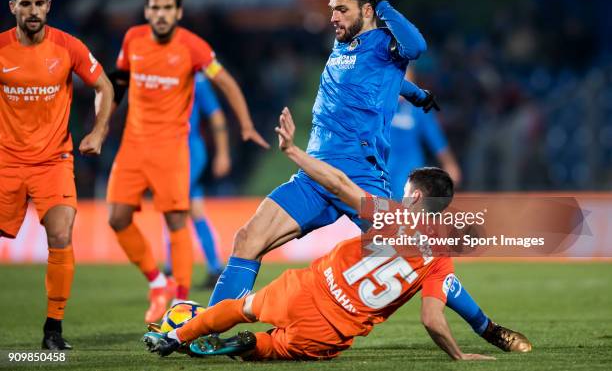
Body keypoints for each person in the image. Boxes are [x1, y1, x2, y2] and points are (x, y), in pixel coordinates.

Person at [142, 108, 531, 361]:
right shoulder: (440, 260)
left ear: (412, 196)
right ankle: (248, 345)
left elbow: (341, 184)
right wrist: (462, 353)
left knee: (243, 308)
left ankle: (179, 335)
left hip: (307, 290)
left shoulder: (390, 216)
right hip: (330, 332)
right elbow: (432, 316)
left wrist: (294, 152)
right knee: (272, 346)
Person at [207, 0, 439, 307]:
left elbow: (416, 46)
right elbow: (368, 80)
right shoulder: (345, 43)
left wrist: (383, 3)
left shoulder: (383, 42)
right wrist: (415, 93)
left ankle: (480, 323)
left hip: (358, 173)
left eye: (342, 9)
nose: (333, 16)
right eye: (332, 8)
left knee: (406, 258)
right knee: (247, 239)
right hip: (314, 174)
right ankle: (206, 330)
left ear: (368, 10)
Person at [107, 0, 268, 324]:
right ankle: (157, 281)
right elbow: (119, 81)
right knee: (117, 218)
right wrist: (101, 123)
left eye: (168, 8)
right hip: (133, 147)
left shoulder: (193, 53)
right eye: (155, 8)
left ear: (178, 13)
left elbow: (223, 91)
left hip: (177, 149)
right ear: (147, 11)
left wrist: (244, 126)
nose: (161, 14)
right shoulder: (133, 40)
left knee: (182, 214)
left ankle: (179, 301)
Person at [0, 0, 113, 350]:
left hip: (54, 161)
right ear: (13, 6)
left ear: (48, 6)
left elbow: (104, 86)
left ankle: (53, 329)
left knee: (62, 234)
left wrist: (97, 131)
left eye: (39, 3)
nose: (33, 10)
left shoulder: (68, 47)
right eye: (25, 4)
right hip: (6, 163)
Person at [163, 73, 229, 288]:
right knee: (195, 209)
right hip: (168, 152)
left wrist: (222, 153)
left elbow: (216, 116)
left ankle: (172, 269)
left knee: (174, 206)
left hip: (190, 152)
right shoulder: (158, 73)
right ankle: (214, 268)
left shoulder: (197, 79)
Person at [388, 73, 462, 199]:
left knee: (406, 211)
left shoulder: (419, 108)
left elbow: (435, 137)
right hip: (382, 170)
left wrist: (449, 163)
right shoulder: (379, 105)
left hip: (409, 172)